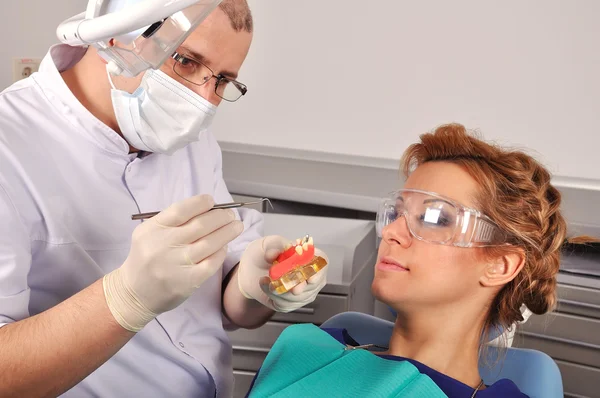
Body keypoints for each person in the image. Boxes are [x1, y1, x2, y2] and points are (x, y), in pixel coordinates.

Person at [0, 1, 328, 397]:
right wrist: (125, 300)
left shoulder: (183, 132)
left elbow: (228, 303)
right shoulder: (10, 149)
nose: (204, 100)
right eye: (187, 62)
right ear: (114, 35)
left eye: (222, 80)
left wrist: (257, 285)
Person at [247, 123, 597, 397]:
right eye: (396, 213)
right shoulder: (308, 350)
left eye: (436, 219)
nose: (392, 233)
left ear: (500, 265)